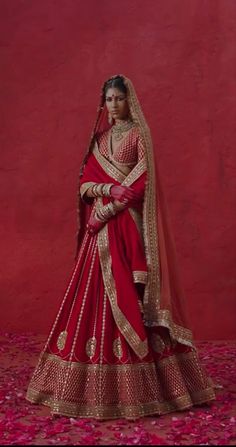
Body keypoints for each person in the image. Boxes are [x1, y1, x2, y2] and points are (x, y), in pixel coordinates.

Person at [26, 74, 216, 420]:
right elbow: (85, 181)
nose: (113, 105)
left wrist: (110, 209)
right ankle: (81, 386)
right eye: (109, 99)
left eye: (119, 98)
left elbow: (143, 181)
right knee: (89, 300)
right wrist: (106, 193)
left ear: (131, 101)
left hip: (125, 227)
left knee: (130, 293)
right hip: (99, 235)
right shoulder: (100, 138)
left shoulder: (138, 136)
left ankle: (147, 389)